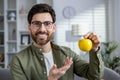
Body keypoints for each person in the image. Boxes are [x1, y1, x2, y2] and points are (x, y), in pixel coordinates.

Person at [10, 3, 104, 80]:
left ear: (54, 27)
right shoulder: (18, 60)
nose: (42, 29)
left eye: (47, 24)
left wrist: (94, 49)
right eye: (36, 24)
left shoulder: (68, 54)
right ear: (29, 27)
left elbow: (95, 76)